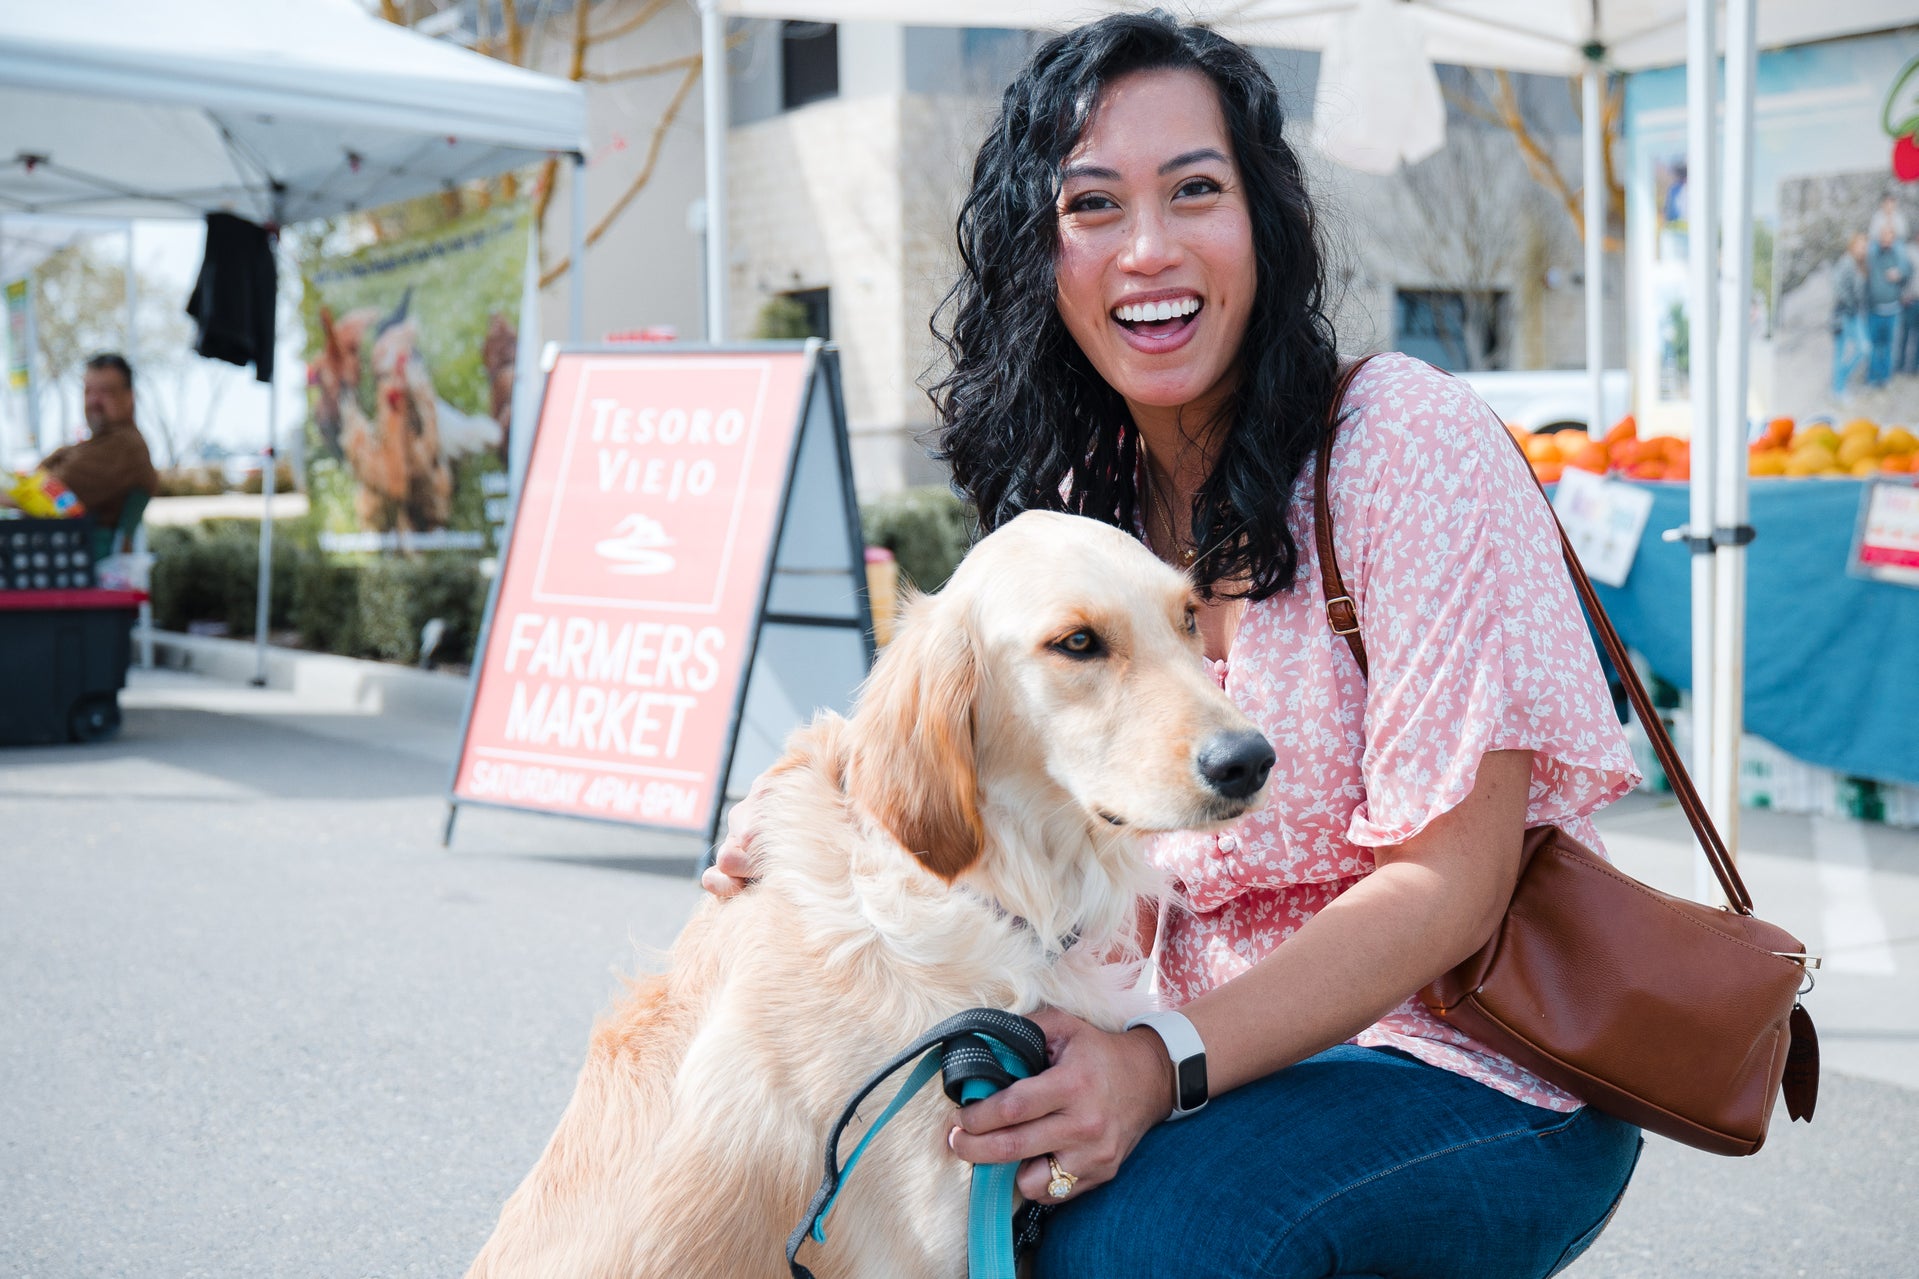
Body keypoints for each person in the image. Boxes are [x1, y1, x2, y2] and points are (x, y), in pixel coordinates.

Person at [710, 13, 1641, 1277]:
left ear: (1260, 217)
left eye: (1193, 190)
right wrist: (802, 800)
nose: (1147, 248)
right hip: (1160, 1037)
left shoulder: (1397, 443)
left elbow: (1450, 882)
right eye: (1091, 205)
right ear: (1043, 256)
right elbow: (964, 743)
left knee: (1144, 1247)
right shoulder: (1083, 499)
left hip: (1455, 1057)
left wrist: (1160, 1064)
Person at [0, 353, 158, 532]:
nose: (93, 401)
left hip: (77, 553)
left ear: (129, 397)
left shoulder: (124, 446)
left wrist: (18, 490)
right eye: (88, 391)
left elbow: (45, 492)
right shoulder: (102, 443)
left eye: (106, 391)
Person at [1866, 218, 1911, 388]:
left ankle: (1885, 378)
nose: (1886, 239)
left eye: (1889, 235)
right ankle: (1872, 378)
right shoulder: (1873, 254)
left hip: (1893, 309)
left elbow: (1908, 268)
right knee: (1874, 346)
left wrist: (1900, 272)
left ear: (1894, 238)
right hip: (1875, 309)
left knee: (1888, 347)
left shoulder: (1898, 254)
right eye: (1883, 235)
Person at [1832, 233, 1870, 400]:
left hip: (1854, 314)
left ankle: (1840, 381)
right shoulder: (1846, 262)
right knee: (1841, 353)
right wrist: (1851, 304)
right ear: (1853, 245)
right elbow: (1838, 288)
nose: (1863, 250)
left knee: (1864, 349)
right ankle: (1838, 389)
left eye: (1865, 246)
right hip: (1843, 315)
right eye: (1860, 246)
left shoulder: (1858, 264)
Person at [1900, 227, 1919, 377]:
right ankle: (1900, 365)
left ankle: (1915, 366)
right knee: (1905, 333)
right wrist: (1903, 294)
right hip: (1910, 299)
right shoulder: (1908, 252)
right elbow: (1903, 274)